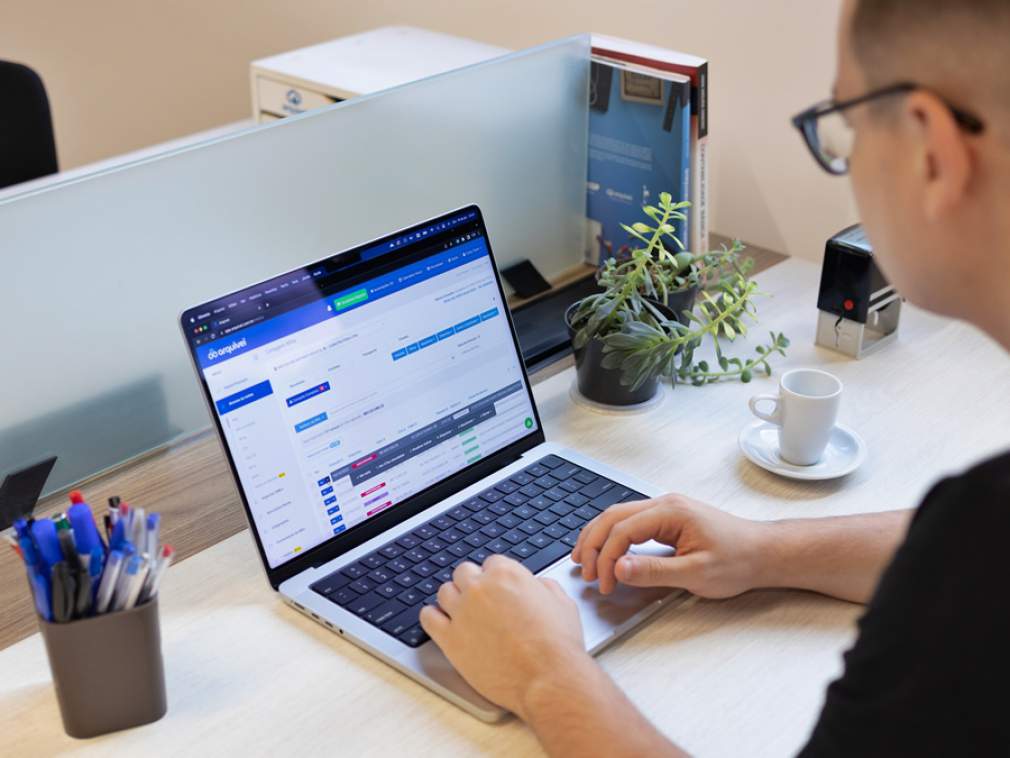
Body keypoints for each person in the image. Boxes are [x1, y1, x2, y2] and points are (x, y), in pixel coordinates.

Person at [419, 0, 1010, 754]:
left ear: (933, 152)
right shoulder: (975, 538)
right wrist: (764, 551)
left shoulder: (975, 541)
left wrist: (542, 671)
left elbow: (976, 556)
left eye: (847, 128)